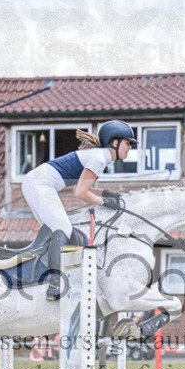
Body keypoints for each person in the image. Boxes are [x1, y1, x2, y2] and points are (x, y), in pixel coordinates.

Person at [21, 121, 135, 300]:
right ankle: (55, 284)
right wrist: (104, 202)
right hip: (40, 184)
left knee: (56, 231)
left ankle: (42, 275)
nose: (130, 147)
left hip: (36, 182)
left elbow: (82, 187)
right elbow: (80, 192)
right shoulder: (99, 159)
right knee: (63, 229)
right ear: (115, 142)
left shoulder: (99, 157)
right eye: (128, 143)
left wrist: (105, 194)